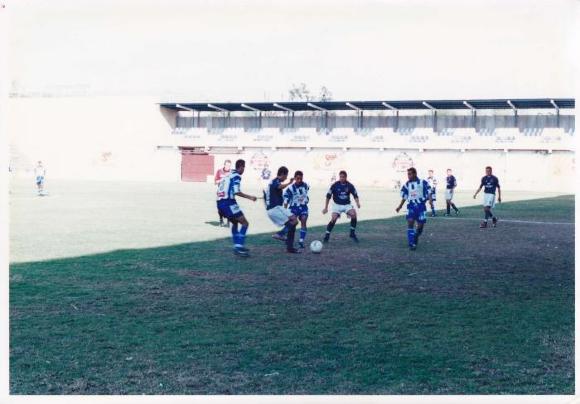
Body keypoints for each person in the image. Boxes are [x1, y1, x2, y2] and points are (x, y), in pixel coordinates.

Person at [216, 159, 258, 257]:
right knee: (245, 223)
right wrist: (250, 197)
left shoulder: (229, 174)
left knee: (235, 223)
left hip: (220, 202)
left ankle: (237, 245)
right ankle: (238, 247)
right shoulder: (237, 176)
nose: (244, 170)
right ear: (241, 167)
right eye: (244, 167)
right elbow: (236, 191)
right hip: (228, 202)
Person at [264, 166, 300, 253]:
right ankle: (280, 234)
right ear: (282, 174)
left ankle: (289, 247)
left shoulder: (272, 182)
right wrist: (289, 183)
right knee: (294, 220)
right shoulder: (275, 181)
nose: (286, 177)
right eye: (286, 175)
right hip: (275, 208)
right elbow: (279, 187)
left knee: (292, 224)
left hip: (273, 209)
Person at [395, 167, 432, 251]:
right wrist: (400, 206)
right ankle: (412, 243)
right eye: (408, 174)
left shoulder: (422, 182)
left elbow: (429, 191)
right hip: (411, 206)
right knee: (410, 222)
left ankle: (416, 235)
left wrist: (430, 201)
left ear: (415, 174)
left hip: (421, 207)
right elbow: (404, 197)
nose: (409, 176)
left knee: (420, 228)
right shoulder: (407, 184)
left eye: (410, 174)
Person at [322, 170, 360, 243]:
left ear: (346, 177)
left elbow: (355, 195)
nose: (341, 178)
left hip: (346, 205)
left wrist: (357, 203)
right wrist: (326, 207)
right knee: (334, 218)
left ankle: (352, 233)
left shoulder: (350, 185)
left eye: (343, 177)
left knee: (354, 214)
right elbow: (328, 196)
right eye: (340, 177)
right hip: (337, 205)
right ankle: (327, 235)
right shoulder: (335, 185)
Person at [283, 170, 310, 249]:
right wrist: (285, 209)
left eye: (301, 179)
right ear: (294, 178)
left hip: (303, 207)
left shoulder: (306, 185)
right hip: (293, 208)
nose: (299, 180)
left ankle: (301, 241)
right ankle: (288, 239)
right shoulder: (290, 188)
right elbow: (286, 199)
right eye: (297, 178)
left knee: (304, 220)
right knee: (293, 223)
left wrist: (306, 199)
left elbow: (305, 195)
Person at [214, 159, 232, 227]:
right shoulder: (219, 171)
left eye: (229, 165)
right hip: (220, 193)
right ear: (224, 165)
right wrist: (221, 179)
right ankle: (221, 220)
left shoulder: (232, 172)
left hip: (228, 193)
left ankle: (228, 222)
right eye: (227, 165)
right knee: (220, 208)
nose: (228, 166)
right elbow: (215, 182)